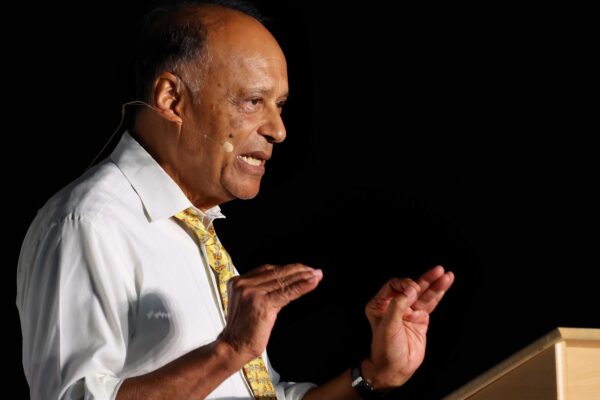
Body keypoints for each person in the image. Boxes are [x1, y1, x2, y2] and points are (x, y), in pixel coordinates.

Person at [16, 1, 455, 399]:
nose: (278, 130)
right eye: (253, 101)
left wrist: (373, 374)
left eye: (279, 105)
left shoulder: (191, 227)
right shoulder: (88, 224)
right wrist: (229, 350)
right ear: (172, 99)